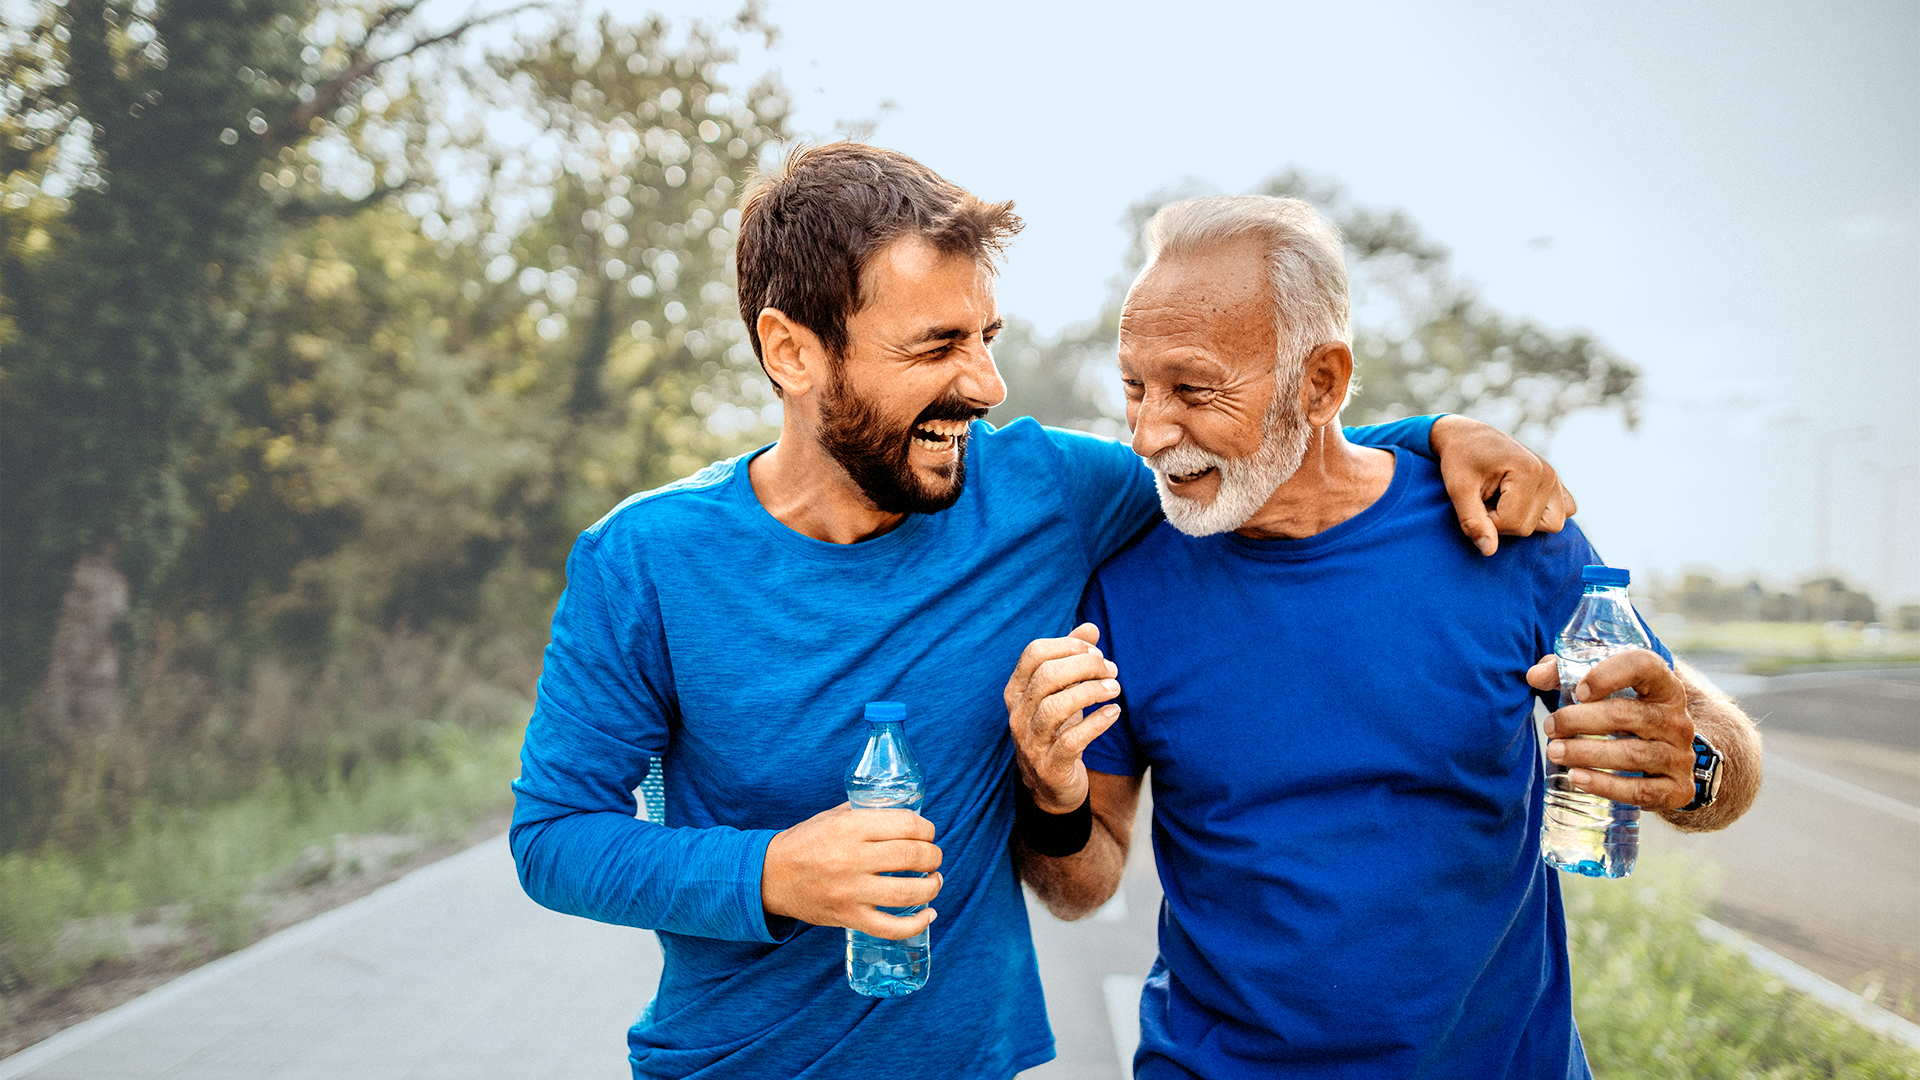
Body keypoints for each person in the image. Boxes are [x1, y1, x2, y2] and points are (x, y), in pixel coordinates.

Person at [510, 144, 1579, 1080]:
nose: (986, 383)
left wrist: (1437, 435)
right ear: (791, 351)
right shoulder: (643, 562)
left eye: (987, 335)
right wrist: (773, 871)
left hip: (974, 1062)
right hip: (732, 1066)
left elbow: (1260, 449)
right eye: (936, 348)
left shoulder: (1044, 496)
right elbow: (553, 837)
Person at [1004, 194, 1763, 1079]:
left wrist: (1695, 767)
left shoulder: (1502, 531)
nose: (1147, 433)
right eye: (1133, 386)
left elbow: (1719, 755)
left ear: (1320, 383)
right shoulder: (1128, 584)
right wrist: (1048, 791)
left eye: (1194, 389)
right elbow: (1080, 886)